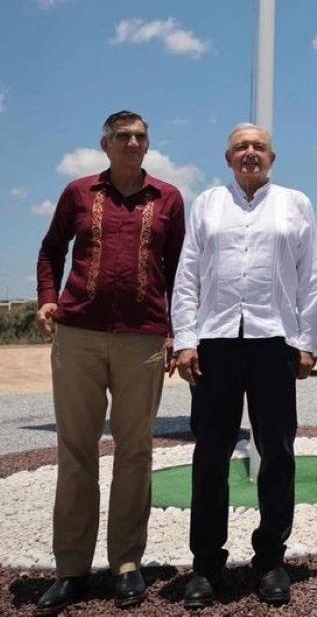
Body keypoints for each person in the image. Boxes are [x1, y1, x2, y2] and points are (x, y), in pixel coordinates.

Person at [35, 110, 185, 614]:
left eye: (142, 137)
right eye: (124, 136)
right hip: (77, 333)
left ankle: (126, 563)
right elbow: (51, 250)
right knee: (75, 449)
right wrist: (47, 298)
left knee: (135, 449)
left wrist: (175, 331)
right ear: (106, 144)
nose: (134, 143)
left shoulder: (167, 199)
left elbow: (180, 269)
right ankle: (71, 568)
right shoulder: (79, 193)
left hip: (142, 338)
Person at [172, 123, 317, 609]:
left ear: (272, 157)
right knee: (210, 454)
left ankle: (271, 558)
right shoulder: (208, 204)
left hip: (272, 342)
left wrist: (304, 342)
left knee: (277, 451)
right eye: (242, 147)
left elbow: (308, 278)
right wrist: (185, 338)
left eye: (258, 146)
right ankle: (206, 564)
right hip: (215, 342)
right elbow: (188, 273)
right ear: (228, 157)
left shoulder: (295, 204)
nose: (250, 153)